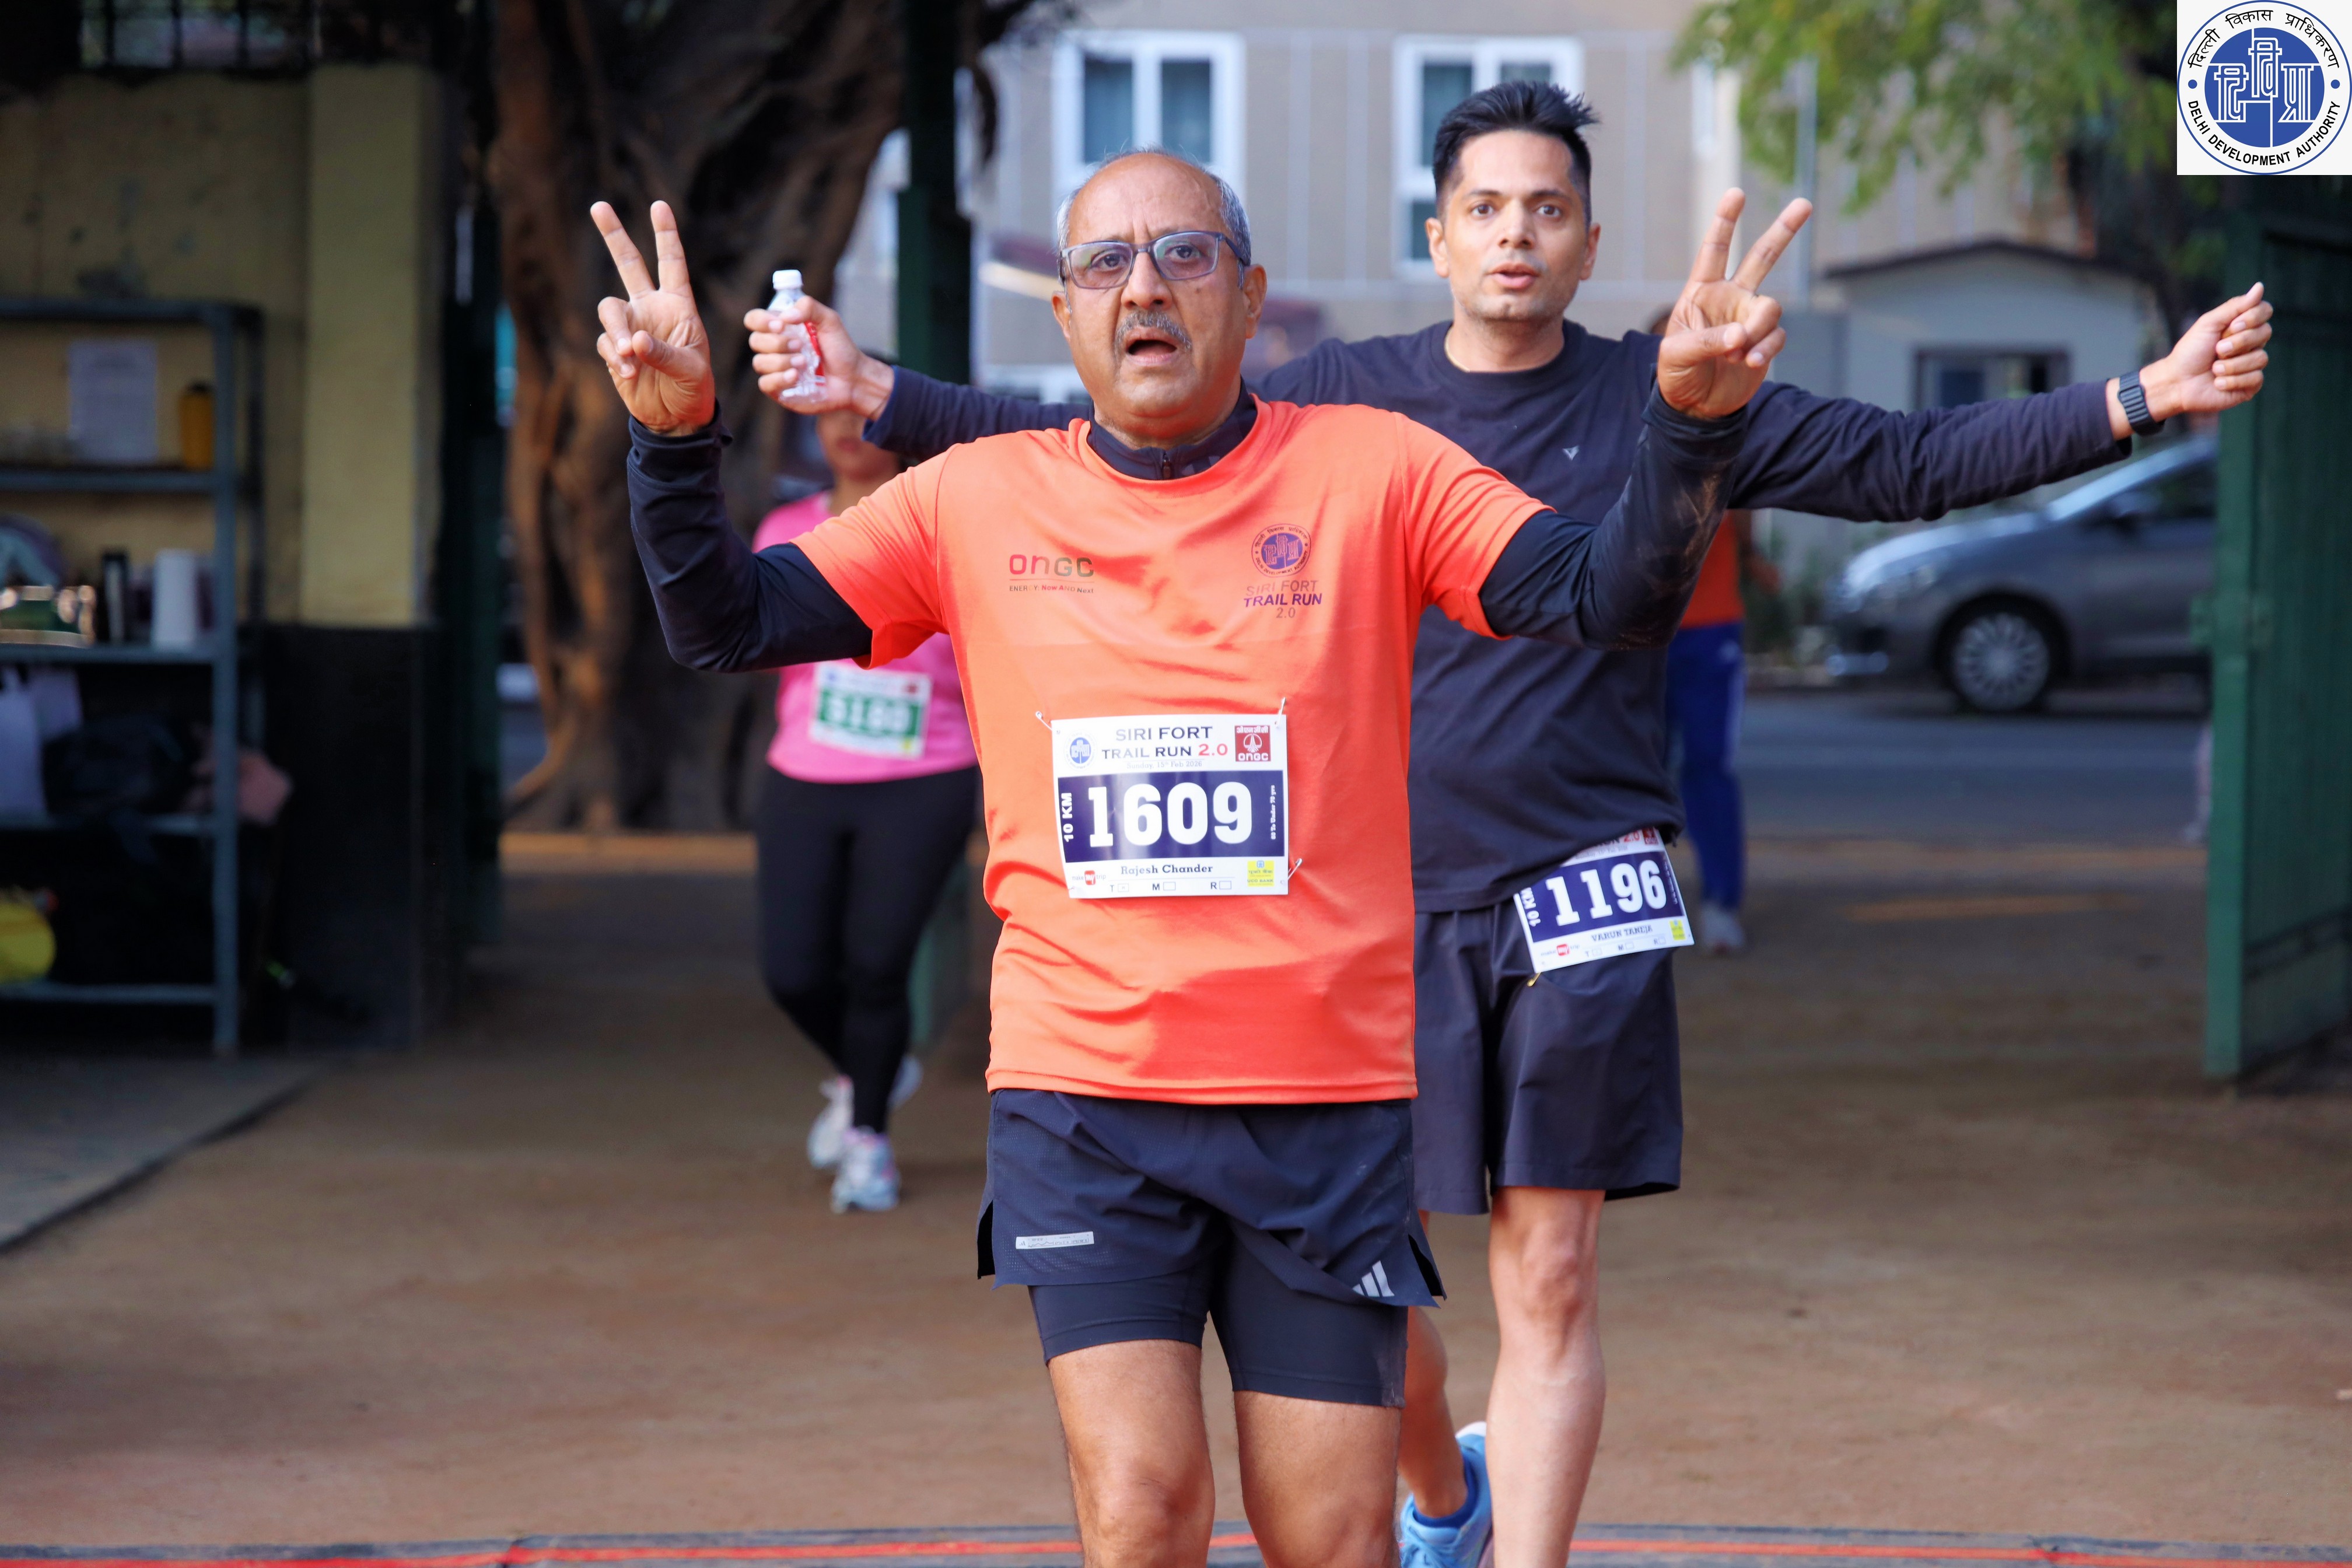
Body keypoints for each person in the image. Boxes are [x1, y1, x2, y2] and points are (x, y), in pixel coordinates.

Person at [759, 83, 2276, 1568]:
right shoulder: (1343, 399)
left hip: (1586, 875)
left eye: (1548, 210)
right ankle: (1443, 1492)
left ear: (1590, 241)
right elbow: (1098, 421)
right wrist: (884, 393)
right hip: (1382, 904)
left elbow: (1907, 461)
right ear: (1437, 236)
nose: (1515, 235)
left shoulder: (1669, 391)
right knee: (1387, 1305)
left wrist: (2139, 398)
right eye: (1485, 208)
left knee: (1548, 1266)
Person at [592, 140, 1782, 1567]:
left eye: (1184, 254)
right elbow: (726, 620)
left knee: (1328, 1535)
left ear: (1250, 296)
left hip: (1324, 1104)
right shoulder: (973, 498)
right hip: (1085, 1101)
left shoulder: (1379, 470)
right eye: (1104, 262)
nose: (1143, 287)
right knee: (1146, 1508)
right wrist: (674, 442)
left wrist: (1689, 431)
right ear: (1066, 314)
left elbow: (1607, 597)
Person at [751, 407, 979, 1214]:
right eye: (832, 415)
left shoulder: (947, 529)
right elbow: (757, 640)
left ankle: (868, 1141)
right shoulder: (785, 528)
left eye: (868, 413)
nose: (849, 429)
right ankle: (868, 1071)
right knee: (793, 971)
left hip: (926, 775)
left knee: (880, 967)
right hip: (805, 772)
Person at [1662, 505, 1775, 955]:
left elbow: (1742, 496)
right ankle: (1625, 912)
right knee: (1627, 771)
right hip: (1630, 624)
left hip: (1708, 623)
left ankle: (1720, 903)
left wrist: (1749, 552)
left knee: (1708, 765)